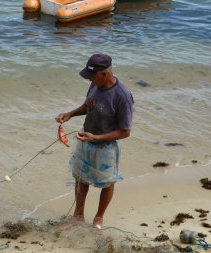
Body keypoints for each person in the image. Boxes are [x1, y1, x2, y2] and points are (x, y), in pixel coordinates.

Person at [55, 53, 134, 228]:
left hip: (106, 146)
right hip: (86, 139)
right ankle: (78, 215)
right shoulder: (95, 84)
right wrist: (70, 114)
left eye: (92, 76)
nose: (89, 79)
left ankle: (99, 218)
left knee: (107, 183)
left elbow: (125, 131)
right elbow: (87, 105)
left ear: (104, 74)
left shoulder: (122, 96)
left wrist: (97, 137)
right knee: (80, 178)